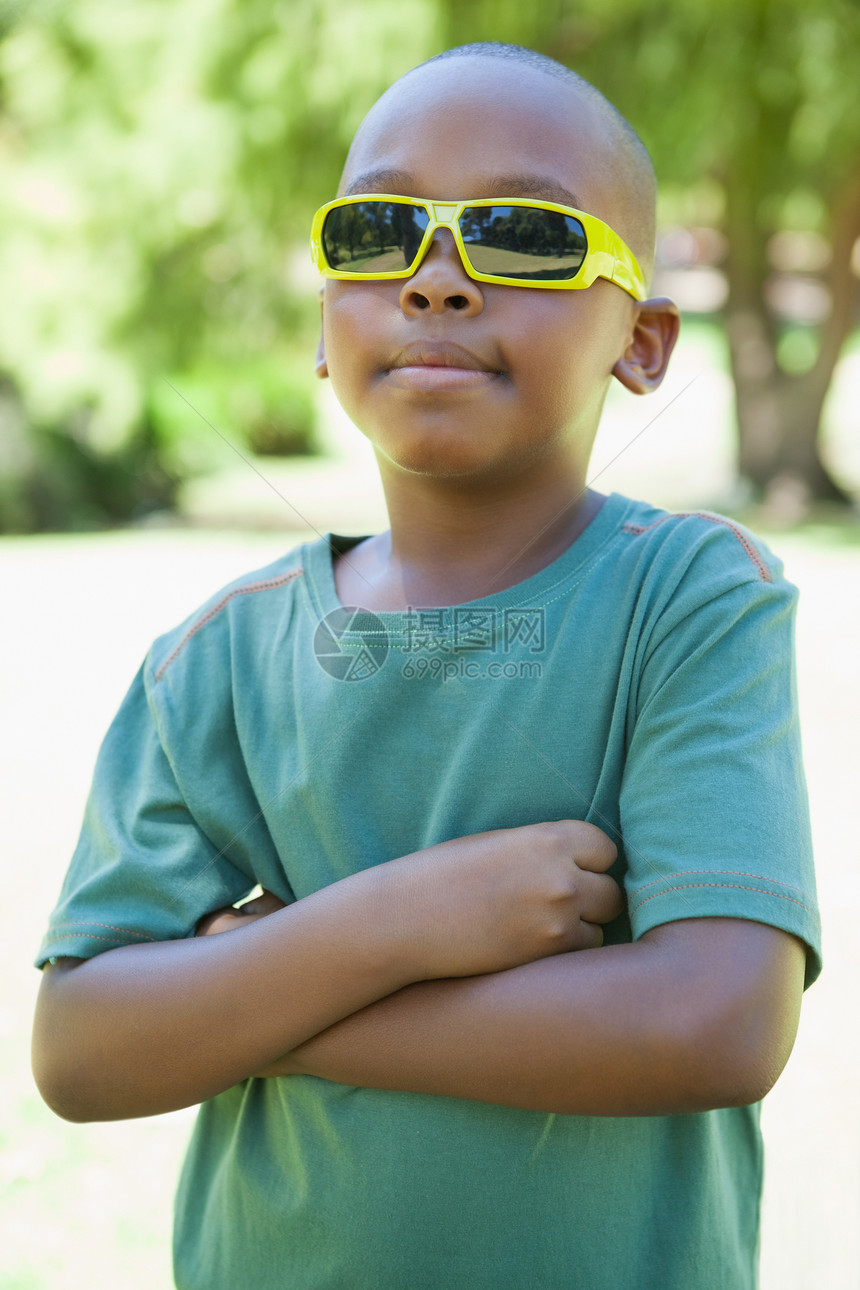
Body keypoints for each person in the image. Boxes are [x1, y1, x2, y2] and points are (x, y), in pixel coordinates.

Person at [32, 42, 821, 1290]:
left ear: (645, 341)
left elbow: (713, 1021)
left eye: (522, 234)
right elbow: (82, 1049)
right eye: (379, 230)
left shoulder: (687, 598)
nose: (436, 280)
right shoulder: (217, 657)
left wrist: (260, 1007)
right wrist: (398, 922)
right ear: (324, 325)